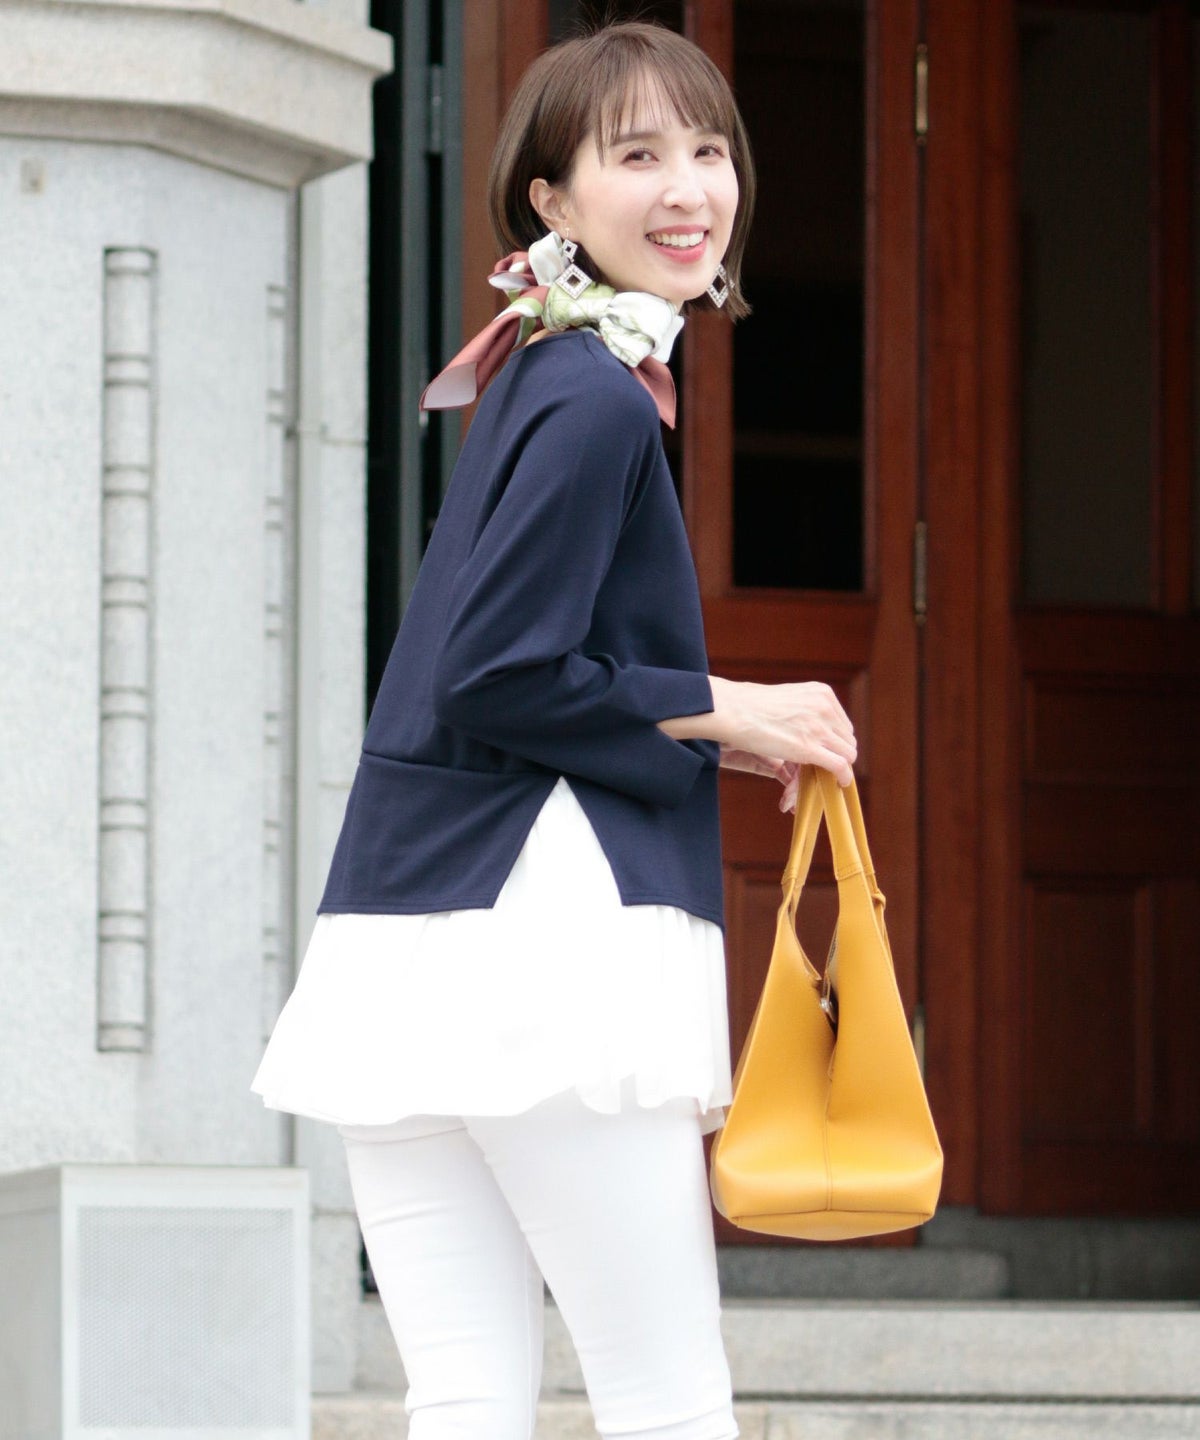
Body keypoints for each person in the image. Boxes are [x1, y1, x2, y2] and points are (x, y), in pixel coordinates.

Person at [252, 20, 856, 1440]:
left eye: (708, 149)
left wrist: (710, 723)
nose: (688, 188)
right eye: (637, 156)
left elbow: (494, 667)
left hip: (405, 950)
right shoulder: (592, 396)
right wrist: (733, 706)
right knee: (666, 1400)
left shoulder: (541, 373)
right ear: (552, 198)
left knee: (465, 1398)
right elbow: (502, 671)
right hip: (551, 956)